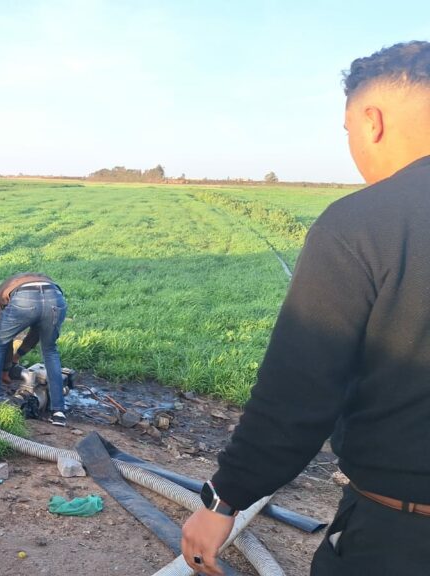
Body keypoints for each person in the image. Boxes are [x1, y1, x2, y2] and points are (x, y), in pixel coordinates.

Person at [181, 41, 430, 575]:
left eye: (346, 132)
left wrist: (224, 499)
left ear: (373, 122)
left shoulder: (363, 223)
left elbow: (298, 392)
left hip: (400, 536)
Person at [0, 273, 68, 425]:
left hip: (25, 298)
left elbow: (3, 341)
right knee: (50, 350)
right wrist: (17, 356)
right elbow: (36, 334)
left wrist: (6, 368)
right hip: (55, 297)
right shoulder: (41, 280)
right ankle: (58, 412)